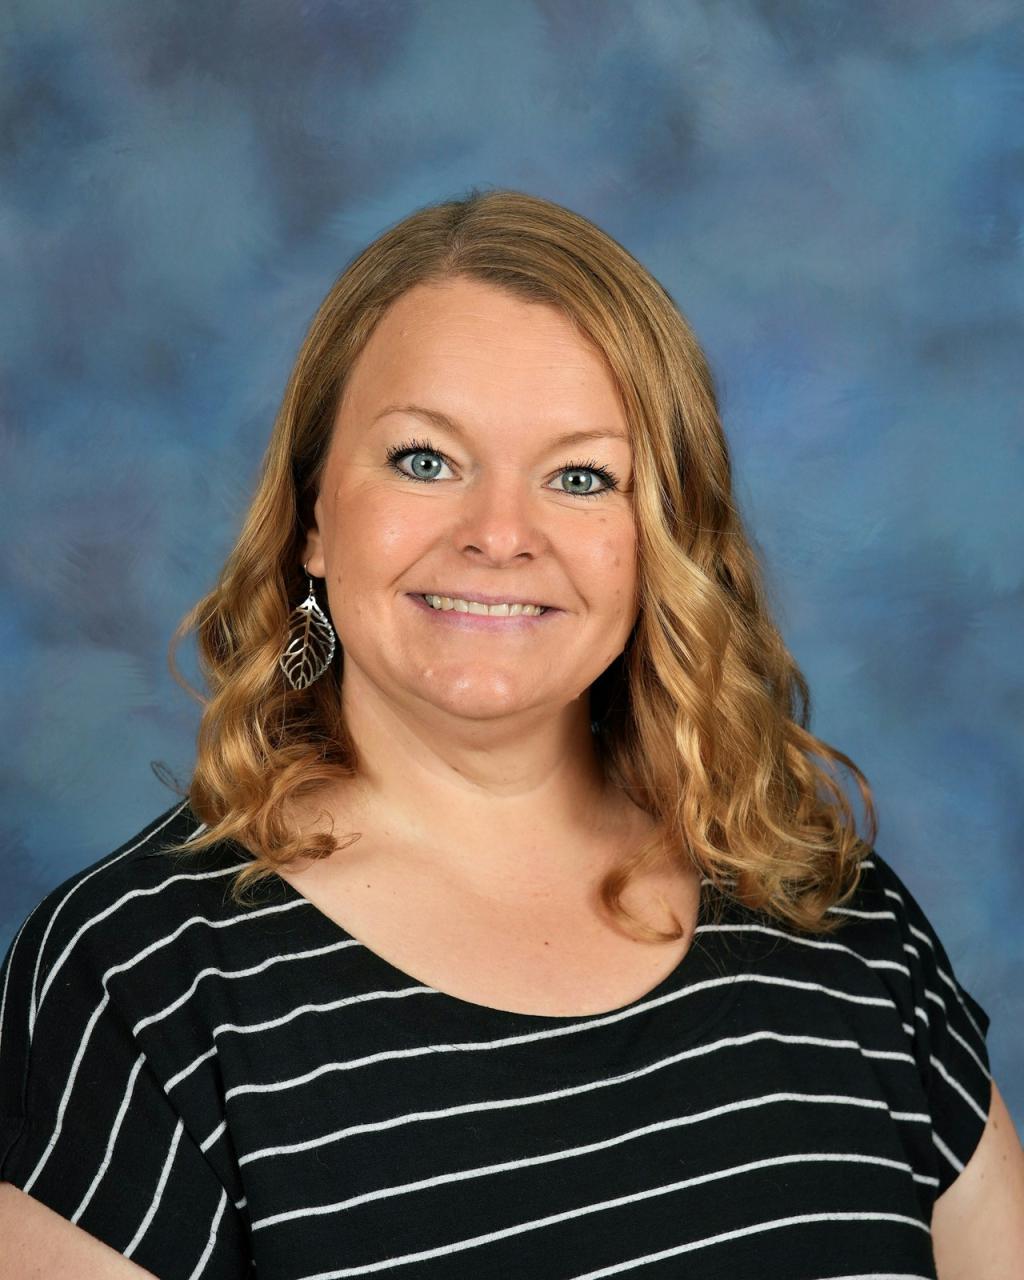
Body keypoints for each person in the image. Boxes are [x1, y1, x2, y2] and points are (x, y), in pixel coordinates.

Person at [1, 188, 1021, 1279]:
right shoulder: (139, 979)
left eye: (581, 476)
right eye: (424, 459)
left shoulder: (833, 913)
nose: (498, 535)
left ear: (658, 537)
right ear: (309, 517)